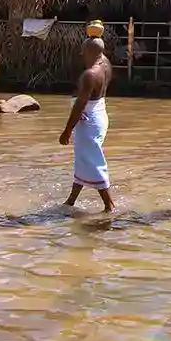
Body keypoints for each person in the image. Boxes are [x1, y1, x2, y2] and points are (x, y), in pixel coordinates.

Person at [62, 24, 115, 211]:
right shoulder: (106, 64)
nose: (81, 55)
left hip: (89, 119)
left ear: (90, 52)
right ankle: (71, 200)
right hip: (99, 113)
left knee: (92, 161)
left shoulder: (90, 75)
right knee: (85, 158)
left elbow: (80, 106)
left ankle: (109, 205)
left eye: (83, 51)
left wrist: (67, 130)